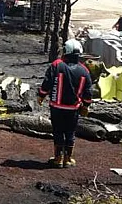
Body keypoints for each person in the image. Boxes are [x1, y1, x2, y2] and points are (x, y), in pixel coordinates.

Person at [37, 39, 92, 168]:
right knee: (70, 132)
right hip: (74, 108)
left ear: (65, 51)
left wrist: (41, 95)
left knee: (58, 131)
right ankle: (68, 158)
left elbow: (47, 82)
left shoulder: (56, 65)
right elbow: (88, 91)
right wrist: (86, 105)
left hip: (56, 107)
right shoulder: (84, 70)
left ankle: (58, 158)